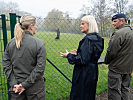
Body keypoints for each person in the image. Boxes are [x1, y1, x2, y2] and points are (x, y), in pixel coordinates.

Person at [2, 15, 46, 100]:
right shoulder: (39, 43)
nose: (36, 27)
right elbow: (40, 69)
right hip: (35, 91)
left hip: (16, 90)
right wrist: (24, 85)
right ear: (31, 26)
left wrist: (14, 83)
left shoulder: (10, 43)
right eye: (36, 25)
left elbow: (6, 65)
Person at [60, 15, 104, 100]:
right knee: (89, 94)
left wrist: (69, 55)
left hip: (83, 73)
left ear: (90, 25)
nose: (81, 26)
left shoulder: (88, 40)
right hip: (93, 71)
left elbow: (82, 60)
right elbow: (91, 55)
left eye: (83, 24)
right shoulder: (99, 39)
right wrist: (79, 53)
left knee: (80, 95)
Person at [104, 13, 133, 100]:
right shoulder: (131, 32)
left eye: (115, 21)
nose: (113, 23)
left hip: (116, 68)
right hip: (128, 68)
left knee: (114, 91)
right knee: (125, 89)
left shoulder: (118, 34)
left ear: (122, 21)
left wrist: (106, 61)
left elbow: (111, 52)